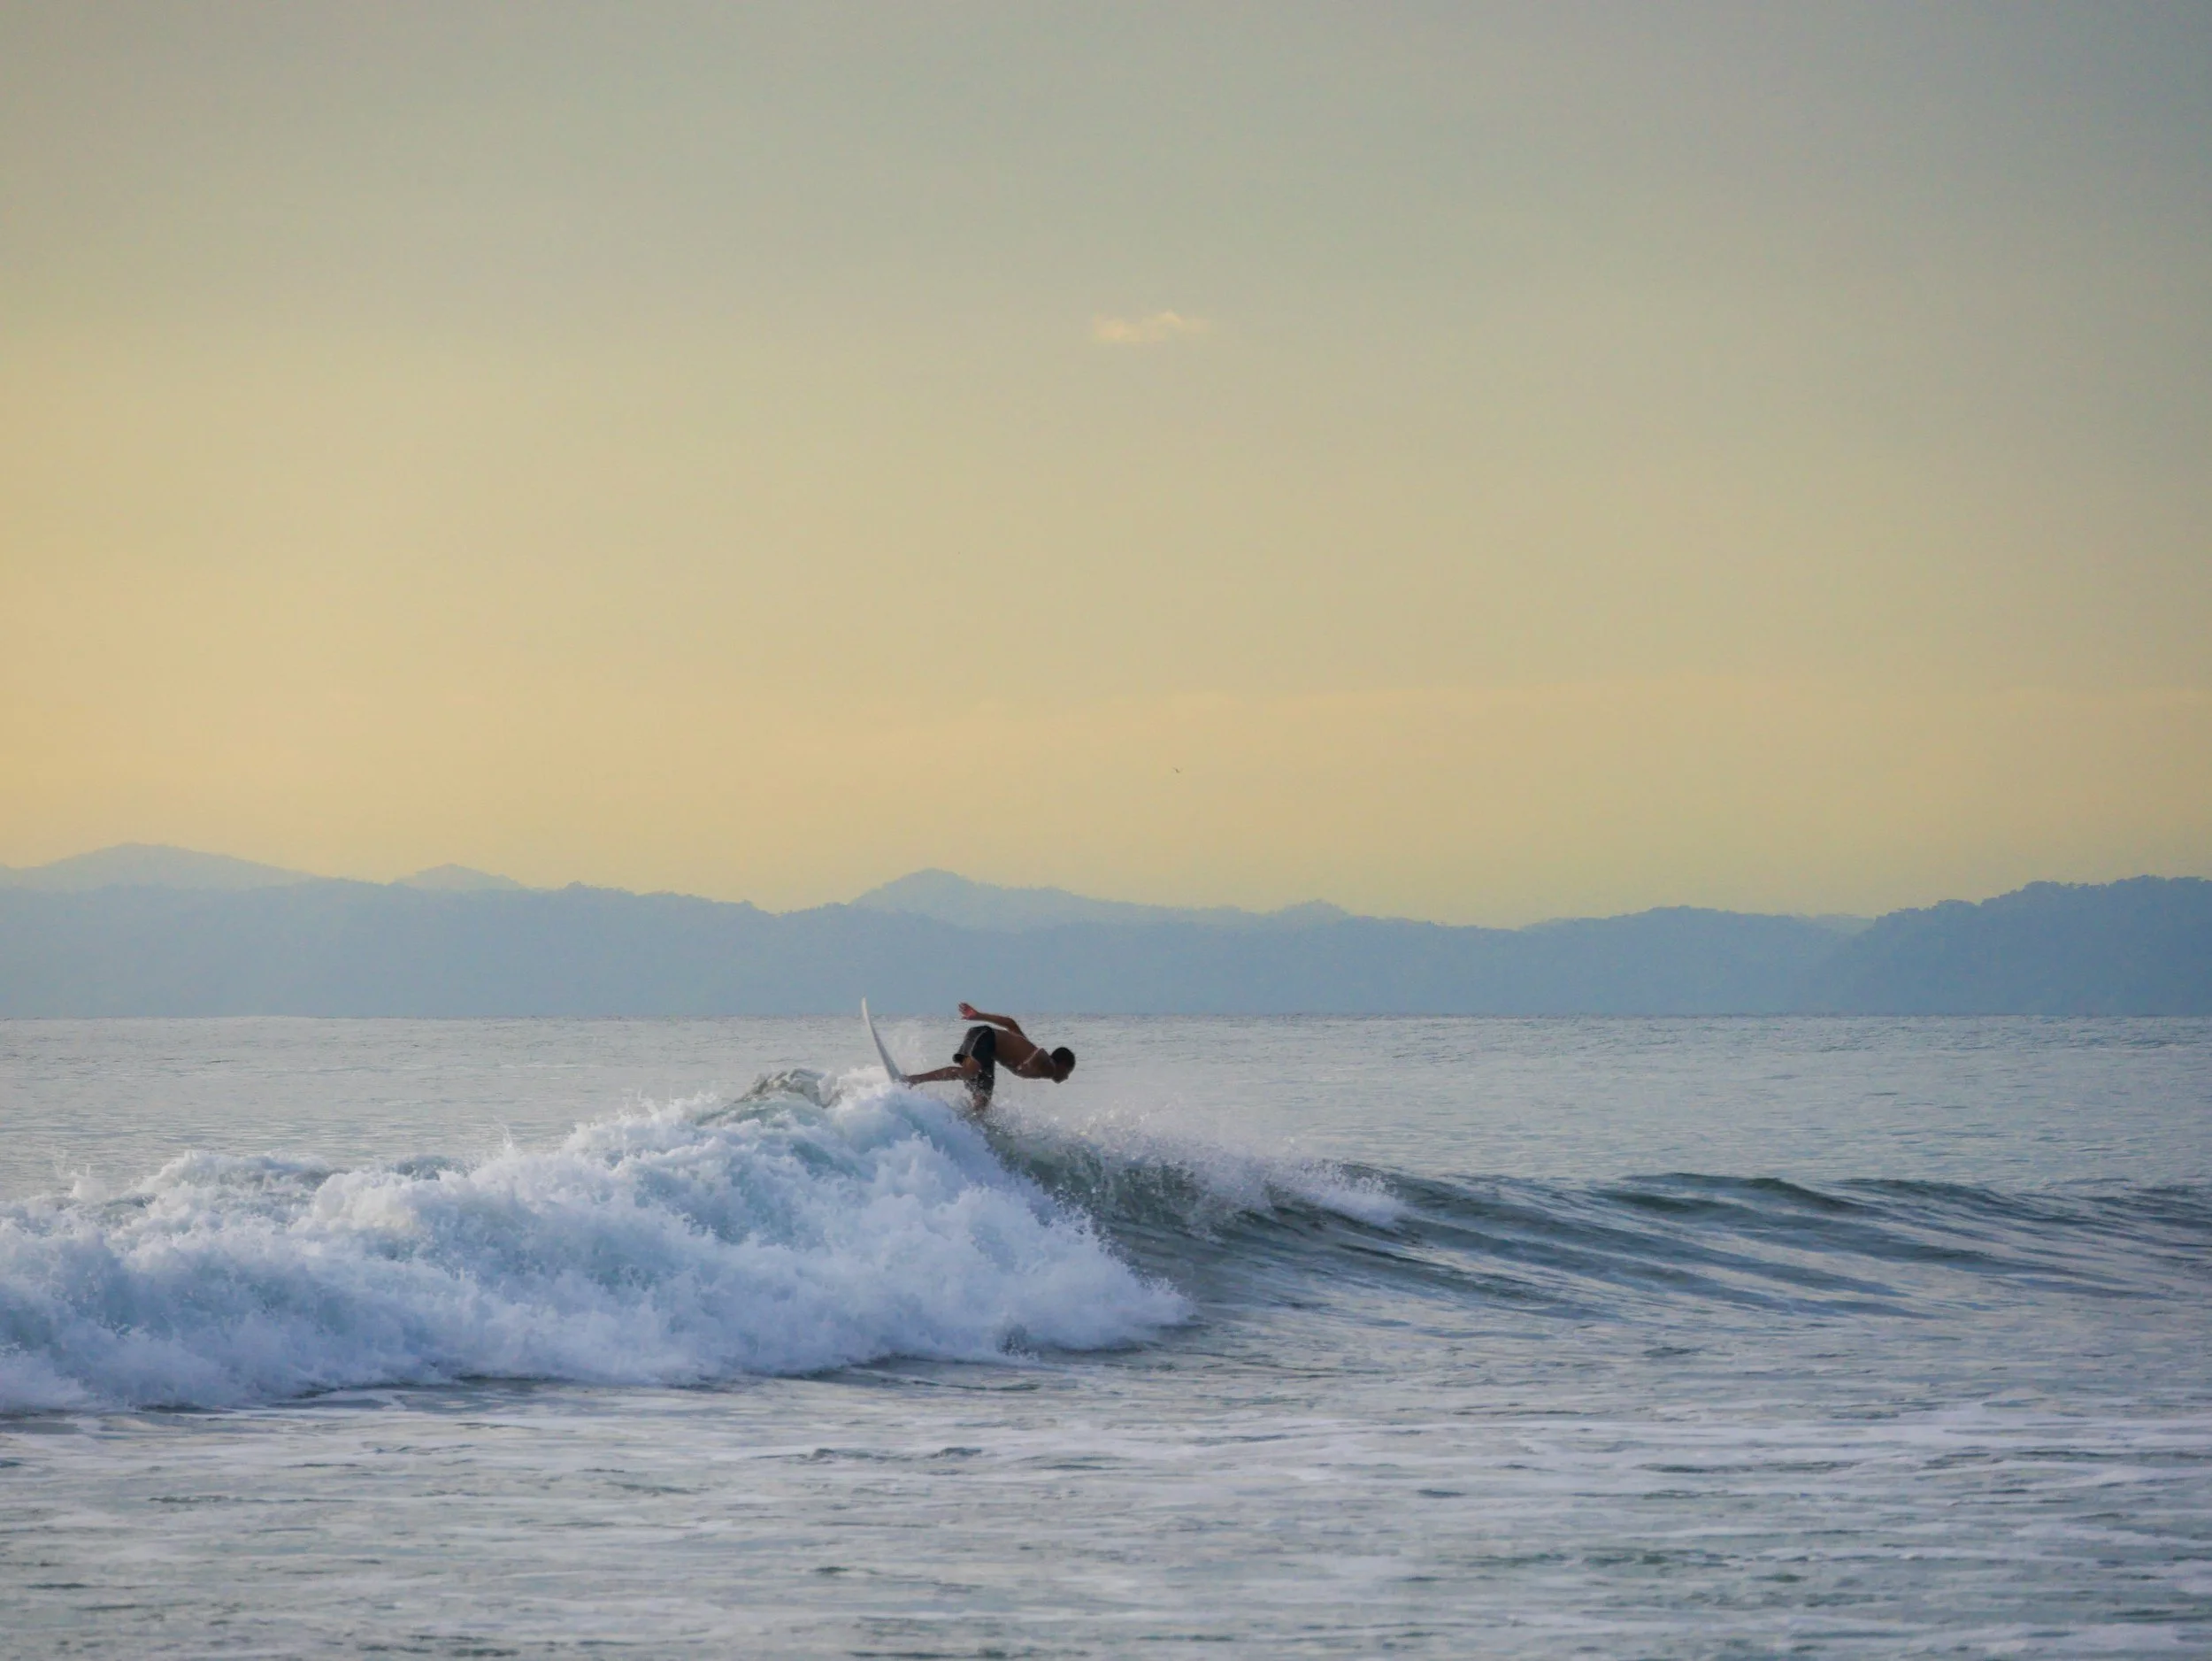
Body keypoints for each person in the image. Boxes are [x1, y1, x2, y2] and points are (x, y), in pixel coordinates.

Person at [903, 1002, 1075, 1112]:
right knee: (969, 1072)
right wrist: (1028, 1065)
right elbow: (1043, 1053)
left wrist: (978, 1016)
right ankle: (913, 1080)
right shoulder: (1049, 1067)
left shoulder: (1026, 1047)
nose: (1066, 1078)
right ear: (1063, 1065)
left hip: (985, 1047)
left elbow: (1010, 1023)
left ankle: (965, 1127)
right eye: (1068, 1072)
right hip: (985, 1037)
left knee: (982, 1102)